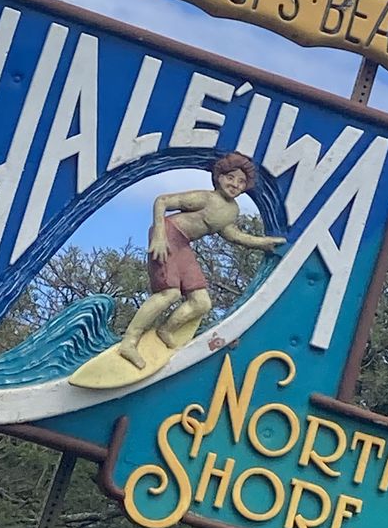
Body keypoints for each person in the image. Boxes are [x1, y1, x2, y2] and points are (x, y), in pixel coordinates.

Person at [117, 152, 285, 369]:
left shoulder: (232, 210)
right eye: (230, 177)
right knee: (170, 293)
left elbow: (232, 235)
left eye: (241, 182)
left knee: (201, 302)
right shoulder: (206, 198)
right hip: (168, 235)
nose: (235, 184)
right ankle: (129, 342)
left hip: (183, 244)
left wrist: (262, 243)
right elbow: (163, 201)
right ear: (219, 177)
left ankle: (166, 330)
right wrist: (159, 235)